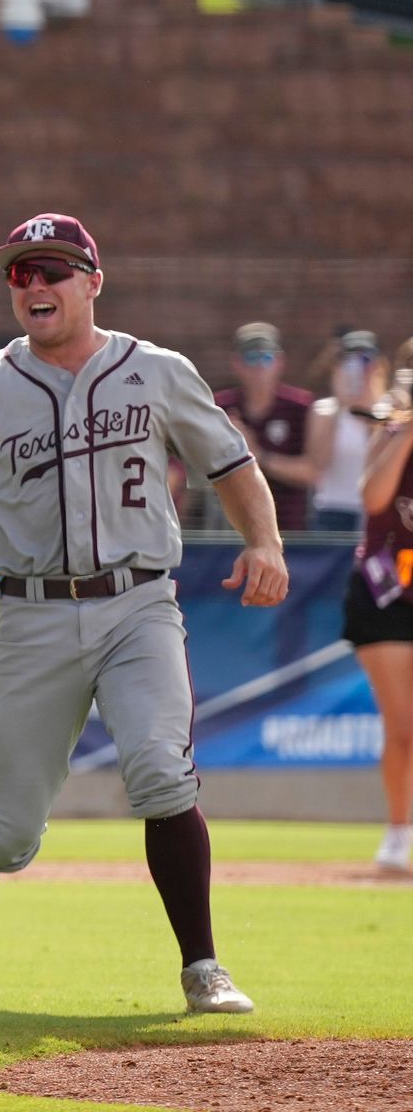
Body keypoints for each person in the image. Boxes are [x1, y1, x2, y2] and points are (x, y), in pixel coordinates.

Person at [0, 212, 286, 1016]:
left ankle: (202, 966)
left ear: (93, 281)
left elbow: (230, 460)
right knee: (9, 833)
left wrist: (266, 542)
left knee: (161, 768)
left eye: (52, 270)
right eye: (21, 273)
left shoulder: (154, 369)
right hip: (35, 617)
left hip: (140, 603)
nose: (36, 285)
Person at [345, 356, 413, 871]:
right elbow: (373, 499)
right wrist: (406, 432)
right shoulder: (390, 432)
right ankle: (398, 831)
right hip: (386, 592)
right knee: (403, 724)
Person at [214, 323, 314, 535]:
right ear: (236, 363)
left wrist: (256, 455)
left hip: (290, 530)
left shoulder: (300, 407)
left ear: (280, 362)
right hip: (233, 529)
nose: (259, 367)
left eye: (267, 357)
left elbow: (311, 471)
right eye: (251, 358)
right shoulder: (220, 407)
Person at [307, 331, 389, 532]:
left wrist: (370, 407)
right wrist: (342, 407)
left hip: (377, 510)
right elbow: (317, 465)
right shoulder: (324, 410)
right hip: (333, 512)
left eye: (365, 360)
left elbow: (382, 461)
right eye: (349, 361)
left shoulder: (390, 408)